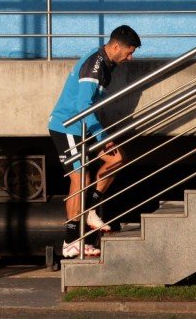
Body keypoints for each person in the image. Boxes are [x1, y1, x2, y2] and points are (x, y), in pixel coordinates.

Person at [48, 25, 141, 258]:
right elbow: (82, 107)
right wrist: (102, 138)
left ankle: (89, 211)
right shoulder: (95, 65)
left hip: (84, 126)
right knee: (80, 179)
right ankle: (70, 242)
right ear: (116, 46)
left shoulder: (106, 64)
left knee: (117, 159)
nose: (130, 58)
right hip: (67, 125)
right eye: (129, 52)